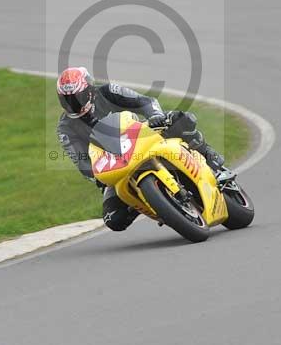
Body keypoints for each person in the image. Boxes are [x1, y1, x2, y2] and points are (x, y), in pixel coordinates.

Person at [55, 66, 230, 232]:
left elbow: (144, 101)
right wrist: (97, 178)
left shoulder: (108, 92)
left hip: (142, 136)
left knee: (179, 120)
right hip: (115, 165)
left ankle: (211, 160)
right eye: (67, 100)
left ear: (90, 91)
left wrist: (155, 116)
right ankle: (155, 202)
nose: (73, 104)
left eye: (77, 97)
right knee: (113, 219)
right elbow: (81, 161)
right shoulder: (65, 128)